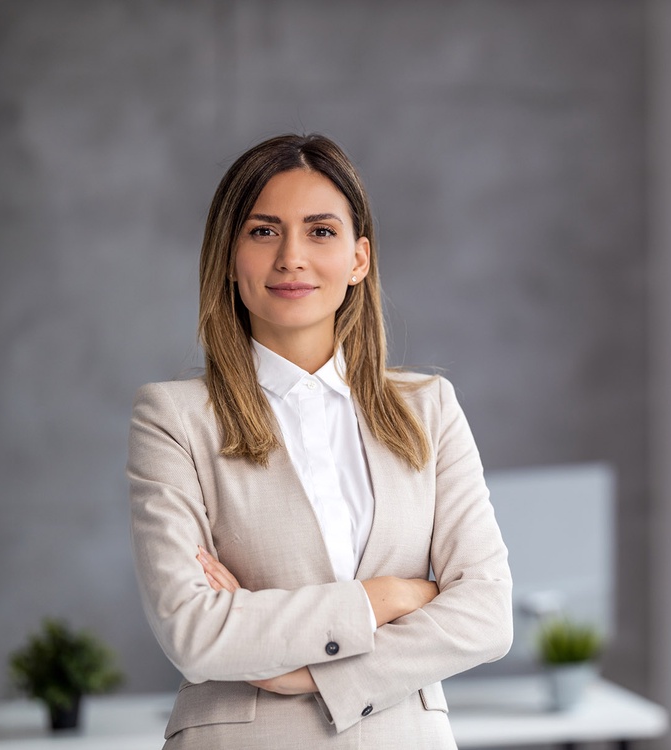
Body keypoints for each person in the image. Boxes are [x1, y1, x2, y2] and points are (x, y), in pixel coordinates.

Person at [125, 133, 514, 748]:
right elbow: (194, 632)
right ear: (228, 256)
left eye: (321, 232)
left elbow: (487, 613)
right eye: (263, 231)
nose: (291, 258)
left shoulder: (429, 408)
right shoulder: (173, 418)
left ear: (359, 260)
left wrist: (305, 674)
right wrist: (388, 597)